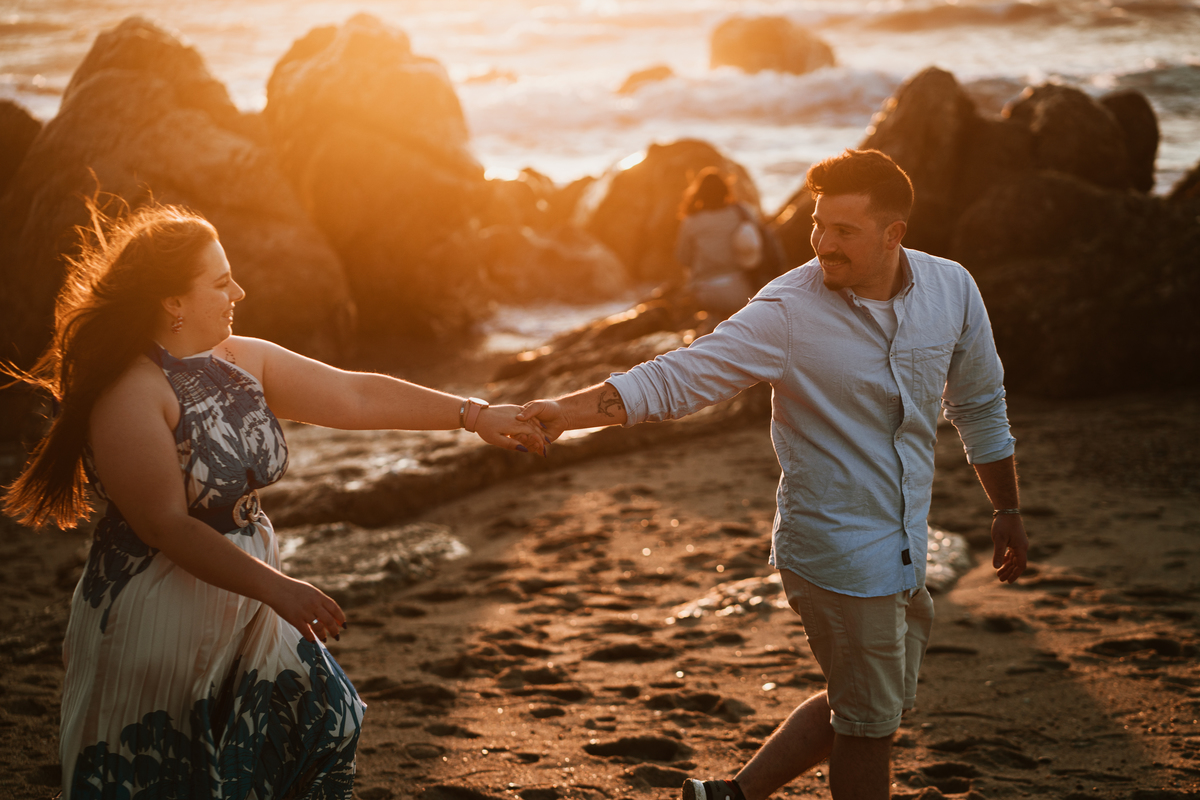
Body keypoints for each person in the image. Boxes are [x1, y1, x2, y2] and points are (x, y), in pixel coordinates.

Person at [518, 149, 1028, 800]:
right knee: (871, 726)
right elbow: (682, 376)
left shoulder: (951, 289)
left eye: (844, 231)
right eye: (818, 225)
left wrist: (1005, 509)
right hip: (836, 552)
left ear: (893, 234)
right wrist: (566, 410)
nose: (822, 244)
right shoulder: (789, 310)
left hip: (904, 547)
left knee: (871, 706)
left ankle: (729, 796)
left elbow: (980, 405)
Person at [2, 202, 544, 799]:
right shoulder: (131, 393)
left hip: (249, 598)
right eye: (218, 281)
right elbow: (166, 528)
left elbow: (353, 397)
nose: (239, 289)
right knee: (169, 779)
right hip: (158, 613)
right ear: (172, 302)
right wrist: (279, 588)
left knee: (324, 724)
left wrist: (474, 415)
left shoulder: (240, 360)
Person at [674, 167, 759, 318]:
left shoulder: (691, 221)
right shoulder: (741, 212)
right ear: (726, 190)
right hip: (741, 289)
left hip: (706, 292)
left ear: (699, 193)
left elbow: (683, 258)